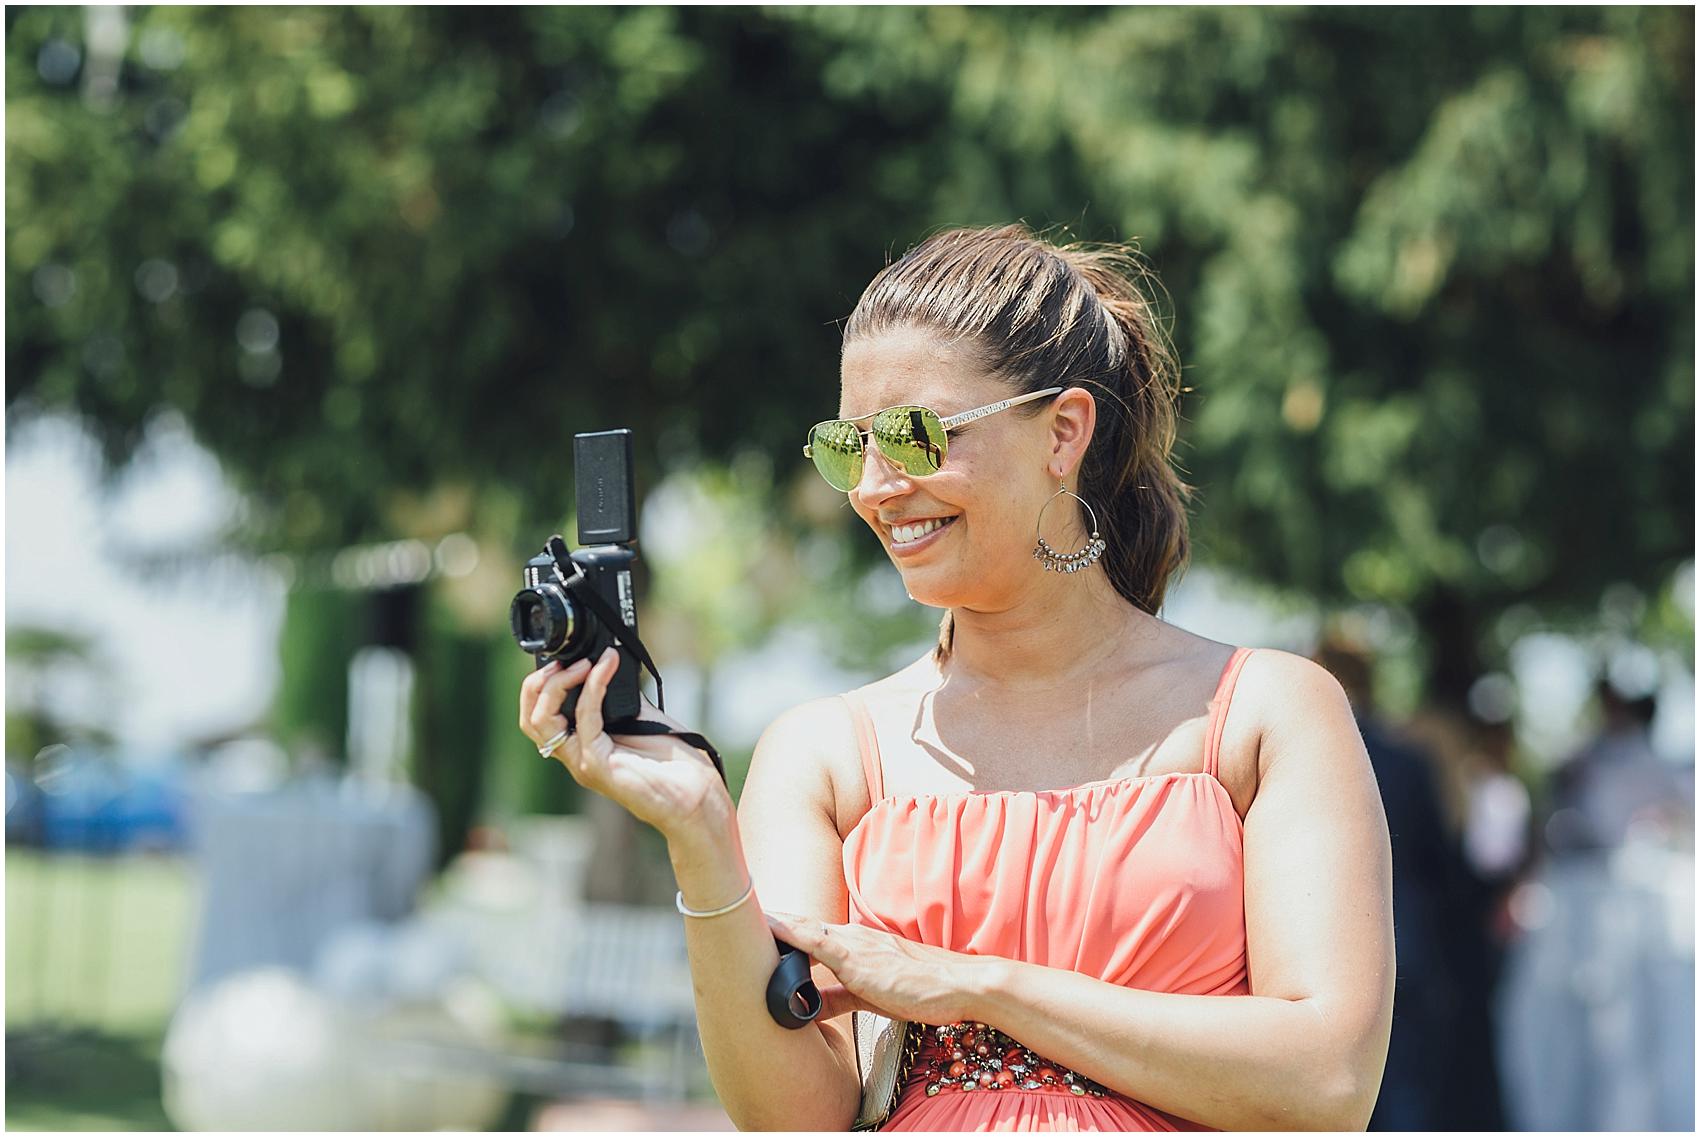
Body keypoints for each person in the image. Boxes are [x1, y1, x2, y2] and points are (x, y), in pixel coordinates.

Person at [519, 225, 1395, 1131]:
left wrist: (974, 986)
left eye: (910, 434)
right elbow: (796, 1120)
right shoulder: (825, 753)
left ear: (1063, 432)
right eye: (845, 444)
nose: (872, 485)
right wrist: (701, 831)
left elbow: (1326, 1083)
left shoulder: (1264, 712)